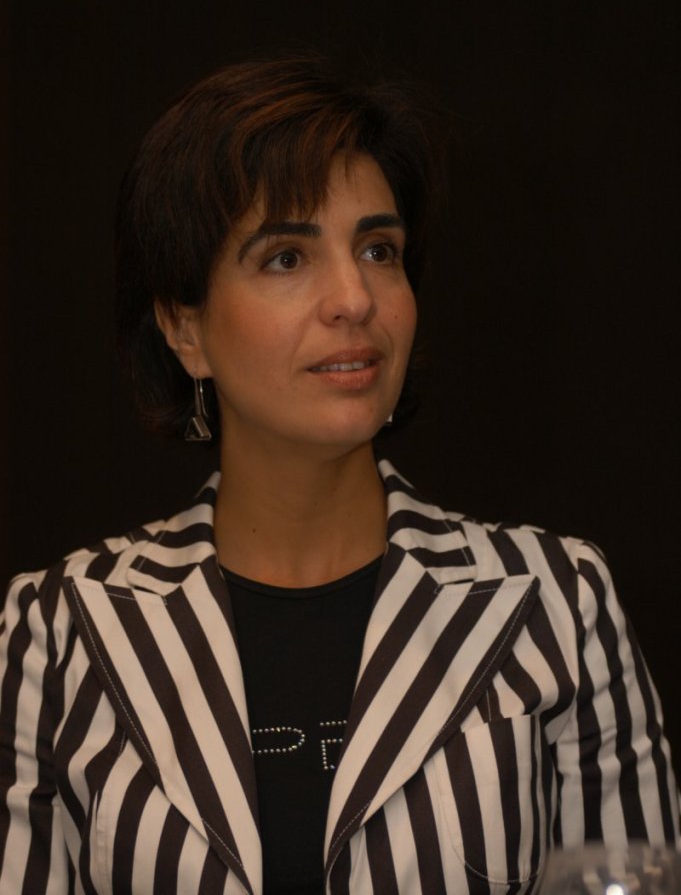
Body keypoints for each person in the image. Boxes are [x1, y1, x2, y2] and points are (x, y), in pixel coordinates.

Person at [0, 56, 678, 895]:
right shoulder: (60, 631)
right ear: (184, 329)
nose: (354, 298)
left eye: (378, 249)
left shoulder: (555, 602)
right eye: (287, 257)